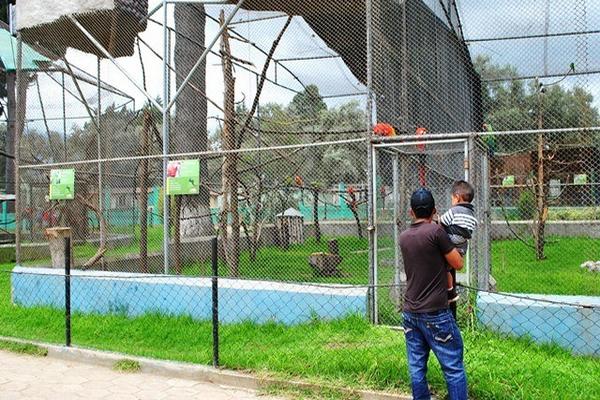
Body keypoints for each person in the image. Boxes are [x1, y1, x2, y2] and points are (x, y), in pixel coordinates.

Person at [400, 188, 467, 400]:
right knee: (453, 368)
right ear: (435, 211)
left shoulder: (403, 237)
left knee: (417, 368)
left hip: (410, 313)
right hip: (436, 313)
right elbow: (459, 263)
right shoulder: (436, 232)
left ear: (411, 212)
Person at [440, 180, 477, 319]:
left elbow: (442, 221)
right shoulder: (471, 214)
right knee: (450, 268)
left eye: (452, 198)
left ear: (457, 197)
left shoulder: (454, 211)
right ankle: (451, 291)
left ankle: (450, 292)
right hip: (461, 249)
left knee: (445, 269)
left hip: (450, 245)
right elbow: (470, 230)